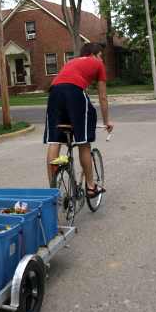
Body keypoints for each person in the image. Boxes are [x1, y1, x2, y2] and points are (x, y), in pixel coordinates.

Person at [44, 42, 114, 198]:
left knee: (55, 140)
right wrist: (107, 121)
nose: (101, 60)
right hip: (74, 91)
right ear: (94, 54)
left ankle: (52, 189)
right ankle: (90, 187)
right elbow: (102, 96)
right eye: (101, 56)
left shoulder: (71, 62)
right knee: (84, 142)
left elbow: (68, 82)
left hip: (54, 92)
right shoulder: (97, 64)